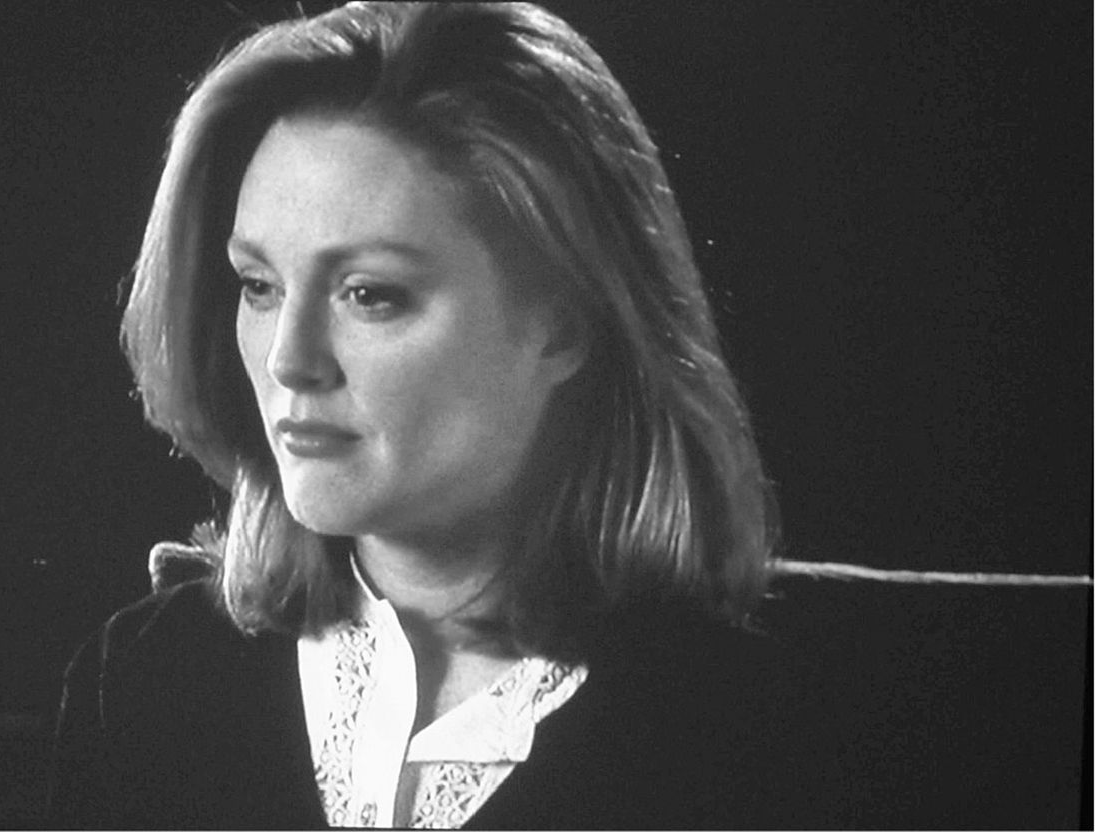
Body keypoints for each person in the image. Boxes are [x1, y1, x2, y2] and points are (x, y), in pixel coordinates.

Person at [50, 2, 838, 827]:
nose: (289, 358)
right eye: (259, 286)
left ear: (566, 321)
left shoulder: (759, 725)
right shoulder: (142, 682)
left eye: (371, 295)